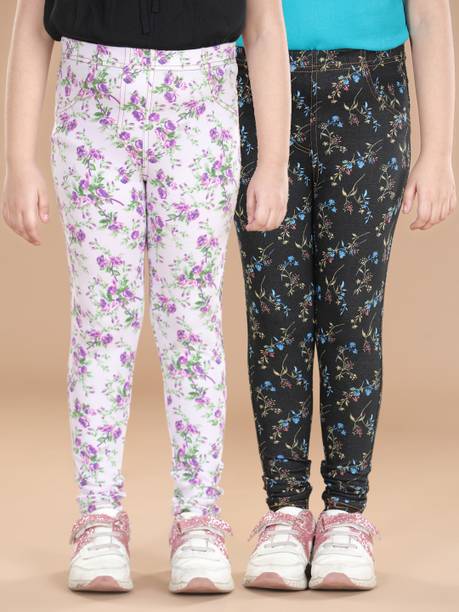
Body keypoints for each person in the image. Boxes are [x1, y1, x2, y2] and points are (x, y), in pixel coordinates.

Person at [1, 0, 290, 594]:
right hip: (92, 107)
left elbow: (263, 28)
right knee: (101, 320)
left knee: (192, 320)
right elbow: (31, 24)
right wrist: (19, 161)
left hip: (200, 107)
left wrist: (275, 162)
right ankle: (99, 517)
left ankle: (199, 519)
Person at [236, 0, 455, 591]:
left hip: (369, 92)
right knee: (275, 314)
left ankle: (345, 515)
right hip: (254, 83)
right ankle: (285, 510)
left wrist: (438, 152)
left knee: (353, 316)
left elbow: (430, 16)